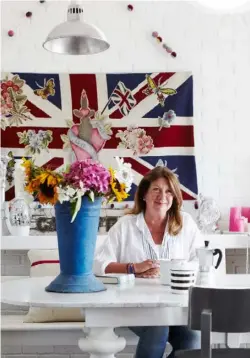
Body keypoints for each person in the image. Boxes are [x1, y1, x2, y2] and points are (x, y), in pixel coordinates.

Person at [94, 166, 203, 358]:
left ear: (175, 197)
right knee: (157, 329)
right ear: (144, 194)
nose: (163, 196)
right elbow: (99, 264)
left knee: (192, 340)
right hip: (134, 306)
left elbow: (200, 262)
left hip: (176, 307)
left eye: (169, 191)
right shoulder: (125, 226)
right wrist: (133, 268)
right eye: (156, 189)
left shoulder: (186, 224)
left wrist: (178, 270)